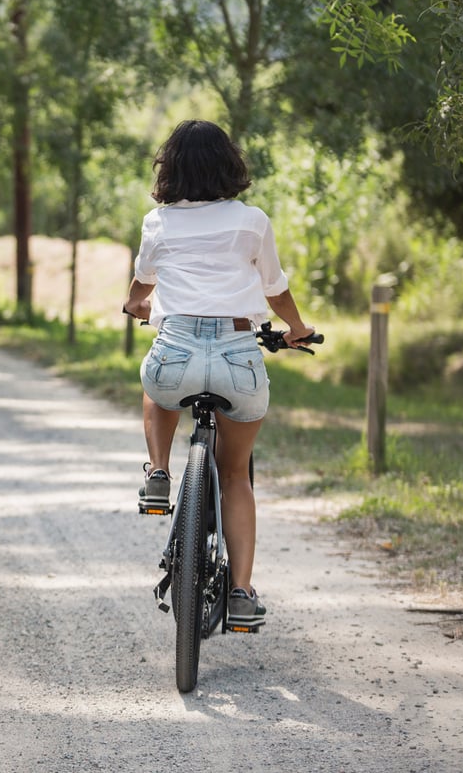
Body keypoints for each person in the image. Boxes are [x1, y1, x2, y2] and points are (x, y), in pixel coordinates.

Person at [122, 119, 315, 629]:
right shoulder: (252, 222)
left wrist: (143, 306)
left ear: (172, 169)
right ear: (231, 165)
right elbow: (274, 288)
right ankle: (242, 595)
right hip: (237, 358)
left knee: (155, 384)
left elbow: (140, 292)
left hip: (177, 351)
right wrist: (295, 328)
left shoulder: (157, 223)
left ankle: (159, 474)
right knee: (234, 475)